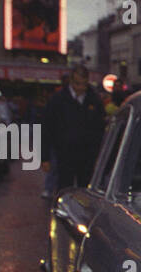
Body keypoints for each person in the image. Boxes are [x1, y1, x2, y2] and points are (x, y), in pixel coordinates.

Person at [41, 64, 106, 196]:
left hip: (87, 156)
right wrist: (45, 157)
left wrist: (99, 155)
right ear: (71, 81)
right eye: (77, 84)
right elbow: (46, 128)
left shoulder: (94, 100)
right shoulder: (58, 100)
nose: (80, 88)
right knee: (64, 190)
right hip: (64, 154)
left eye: (83, 84)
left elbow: (100, 130)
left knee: (86, 193)